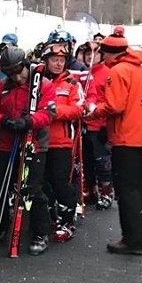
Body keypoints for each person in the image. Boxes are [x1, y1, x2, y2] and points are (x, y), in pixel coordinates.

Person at [86, 31, 142, 255]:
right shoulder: (140, 69)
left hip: (127, 138)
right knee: (140, 189)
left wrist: (95, 111)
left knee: (127, 190)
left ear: (109, 52)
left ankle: (132, 240)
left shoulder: (117, 71)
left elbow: (114, 105)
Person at [0, 46, 56, 255]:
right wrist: (3, 120)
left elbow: (49, 112)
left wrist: (28, 121)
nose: (17, 76)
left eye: (19, 71)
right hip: (6, 144)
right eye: (11, 73)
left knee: (32, 190)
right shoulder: (2, 87)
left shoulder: (42, 85)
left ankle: (40, 232)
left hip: (33, 144)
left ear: (25, 65)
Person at [40, 42, 82, 242]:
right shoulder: (37, 80)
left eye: (61, 60)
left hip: (61, 142)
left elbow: (77, 109)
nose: (58, 64)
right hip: (39, 141)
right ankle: (49, 218)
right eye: (54, 60)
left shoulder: (72, 83)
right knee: (42, 183)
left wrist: (53, 111)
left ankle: (67, 219)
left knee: (60, 183)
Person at [75, 41, 113, 209]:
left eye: (94, 54)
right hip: (83, 124)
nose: (91, 57)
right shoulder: (82, 73)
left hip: (99, 125)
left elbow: (111, 100)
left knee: (102, 161)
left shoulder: (107, 73)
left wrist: (105, 122)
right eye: (87, 54)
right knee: (86, 160)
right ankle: (90, 190)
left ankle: (106, 192)